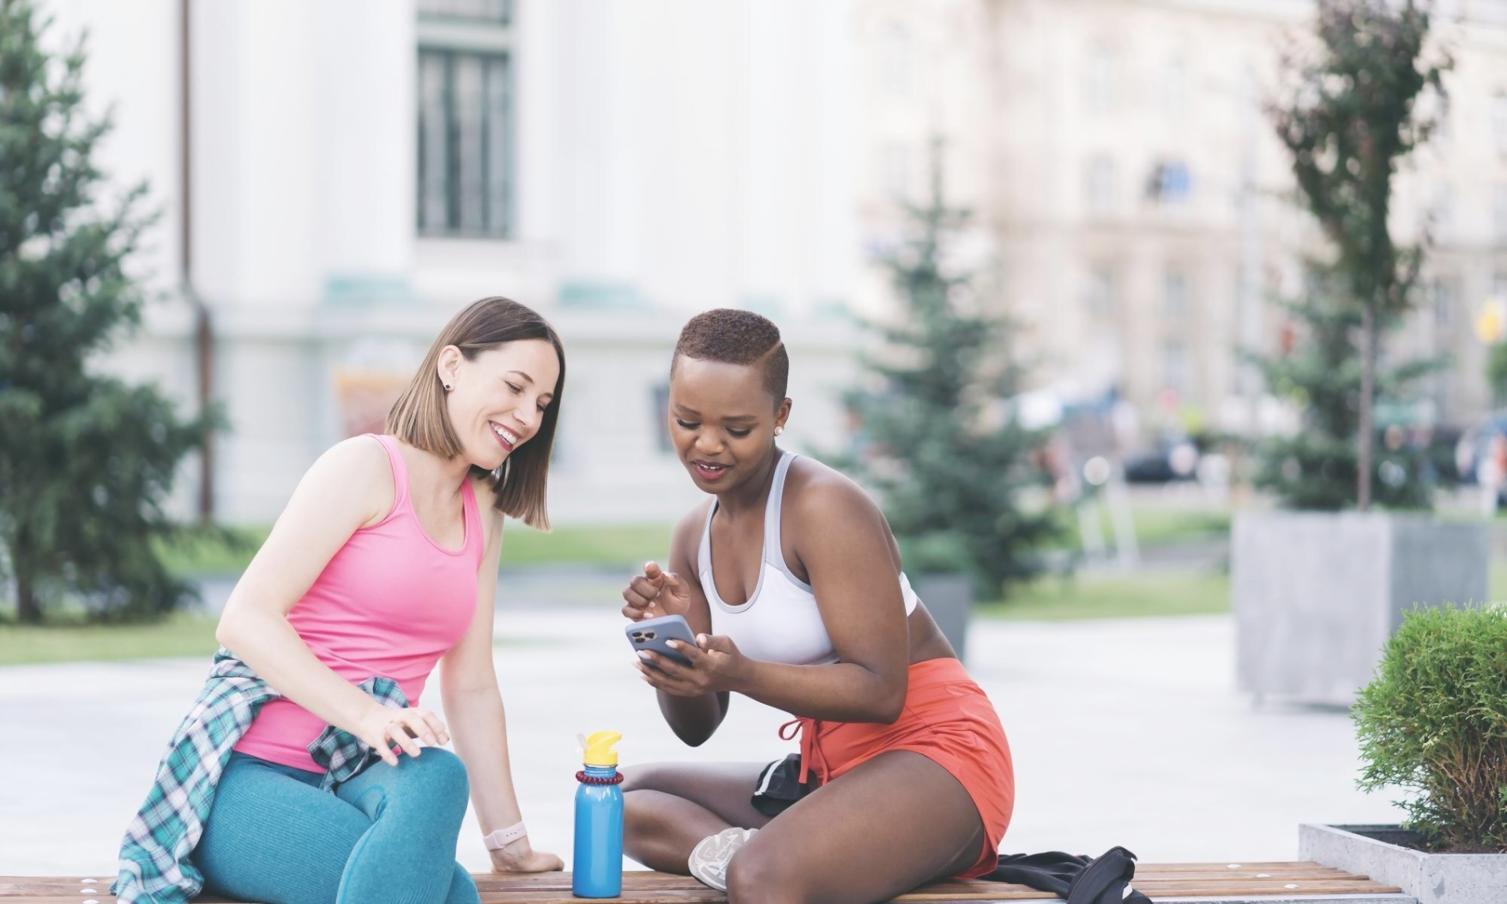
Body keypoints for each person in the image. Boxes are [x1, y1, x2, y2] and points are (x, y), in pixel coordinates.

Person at [113, 297, 565, 904]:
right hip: (254, 779)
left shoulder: (482, 508)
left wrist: (508, 841)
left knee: (437, 775)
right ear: (452, 365)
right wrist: (370, 716)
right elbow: (245, 618)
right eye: (514, 387)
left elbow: (473, 683)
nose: (528, 416)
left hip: (357, 776)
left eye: (542, 403)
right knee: (449, 895)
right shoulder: (364, 467)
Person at [619, 309, 1015, 904]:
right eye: (687, 420)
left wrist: (739, 672)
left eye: (736, 427)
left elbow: (883, 693)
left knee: (763, 879)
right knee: (613, 797)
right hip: (827, 770)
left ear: (780, 416)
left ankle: (778, 863)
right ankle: (787, 856)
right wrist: (672, 660)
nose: (708, 444)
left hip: (939, 756)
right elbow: (697, 729)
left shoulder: (824, 507)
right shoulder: (693, 536)